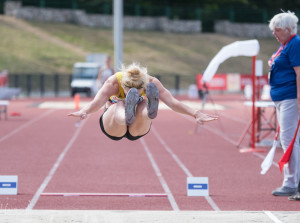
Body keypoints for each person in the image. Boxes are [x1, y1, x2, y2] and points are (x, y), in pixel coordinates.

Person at [68, 62, 218, 141]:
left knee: (143, 105)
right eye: (128, 90)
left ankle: (149, 111)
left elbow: (173, 102)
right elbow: (97, 102)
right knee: (119, 104)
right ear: (123, 84)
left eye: (139, 90)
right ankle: (132, 114)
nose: (131, 93)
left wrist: (196, 114)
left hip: (136, 128)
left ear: (144, 85)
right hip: (114, 126)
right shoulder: (113, 83)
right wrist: (84, 111)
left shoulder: (151, 82)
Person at [268, 11, 300, 196]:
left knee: (288, 141)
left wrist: (299, 99)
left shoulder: (295, 43)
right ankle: (293, 181)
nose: (274, 33)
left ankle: (291, 183)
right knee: (290, 140)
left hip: (290, 98)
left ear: (288, 29)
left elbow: (299, 72)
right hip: (282, 98)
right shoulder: (285, 45)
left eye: (277, 30)